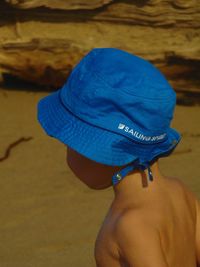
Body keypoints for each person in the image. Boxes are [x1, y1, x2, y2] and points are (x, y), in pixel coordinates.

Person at [37, 47, 200, 266]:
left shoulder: (131, 226)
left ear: (100, 151)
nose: (68, 152)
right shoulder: (181, 193)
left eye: (71, 142)